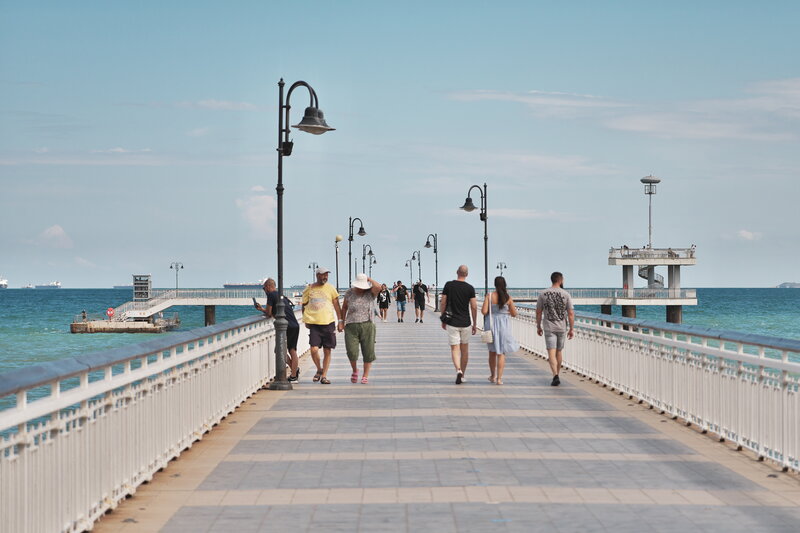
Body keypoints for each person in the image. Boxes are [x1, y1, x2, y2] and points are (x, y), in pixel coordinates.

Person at [301, 267, 343, 385]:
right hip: (314, 324)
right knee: (314, 349)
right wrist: (305, 319)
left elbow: (336, 305)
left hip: (328, 323)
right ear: (317, 275)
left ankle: (324, 376)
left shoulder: (330, 288)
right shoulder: (309, 289)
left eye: (327, 275)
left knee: (327, 350)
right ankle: (319, 369)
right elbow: (304, 305)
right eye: (323, 275)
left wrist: (340, 321)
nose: (325, 277)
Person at [257, 278, 301, 382]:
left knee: (279, 350)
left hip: (286, 326)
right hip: (295, 325)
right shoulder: (281, 295)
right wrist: (263, 309)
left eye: (264, 288)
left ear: (268, 286)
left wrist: (262, 309)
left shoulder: (271, 295)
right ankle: (294, 372)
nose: (264, 290)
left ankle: (294, 374)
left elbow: (269, 313)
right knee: (292, 350)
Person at [536, 272, 575, 386]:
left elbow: (538, 312)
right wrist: (571, 329)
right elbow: (571, 313)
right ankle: (557, 374)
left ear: (552, 280)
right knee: (559, 351)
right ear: (561, 280)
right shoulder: (566, 294)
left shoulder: (543, 294)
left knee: (551, 353)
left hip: (549, 327)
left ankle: (555, 375)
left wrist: (538, 326)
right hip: (562, 327)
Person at [439, 265, 477, 384]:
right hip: (466, 323)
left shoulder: (449, 285)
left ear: (457, 272)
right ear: (467, 274)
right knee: (464, 350)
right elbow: (474, 306)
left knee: (455, 349)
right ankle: (463, 375)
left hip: (452, 322)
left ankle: (458, 370)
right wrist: (475, 323)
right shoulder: (470, 288)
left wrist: (443, 319)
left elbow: (443, 302)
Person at [341, 273, 381, 384]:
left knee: (368, 351)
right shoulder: (349, 292)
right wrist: (341, 321)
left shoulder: (370, 292)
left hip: (368, 324)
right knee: (351, 351)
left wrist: (369, 279)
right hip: (351, 325)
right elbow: (344, 307)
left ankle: (365, 375)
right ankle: (355, 370)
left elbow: (379, 287)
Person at [481, 276, 519, 385]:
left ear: (495, 284)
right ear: (504, 284)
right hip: (504, 326)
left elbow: (484, 311)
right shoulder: (508, 297)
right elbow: (514, 314)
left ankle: (492, 376)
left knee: (492, 352)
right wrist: (505, 312)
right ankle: (499, 379)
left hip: (491, 325)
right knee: (501, 352)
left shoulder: (489, 296)